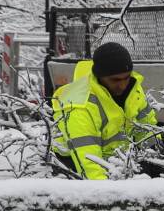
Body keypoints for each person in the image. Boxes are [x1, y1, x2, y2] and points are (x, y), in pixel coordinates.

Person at [50, 41, 157, 178]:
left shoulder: (133, 91)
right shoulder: (79, 107)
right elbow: (90, 165)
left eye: (126, 77)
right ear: (100, 77)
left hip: (116, 166)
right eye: (115, 80)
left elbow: (148, 133)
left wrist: (159, 166)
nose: (123, 85)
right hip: (72, 173)